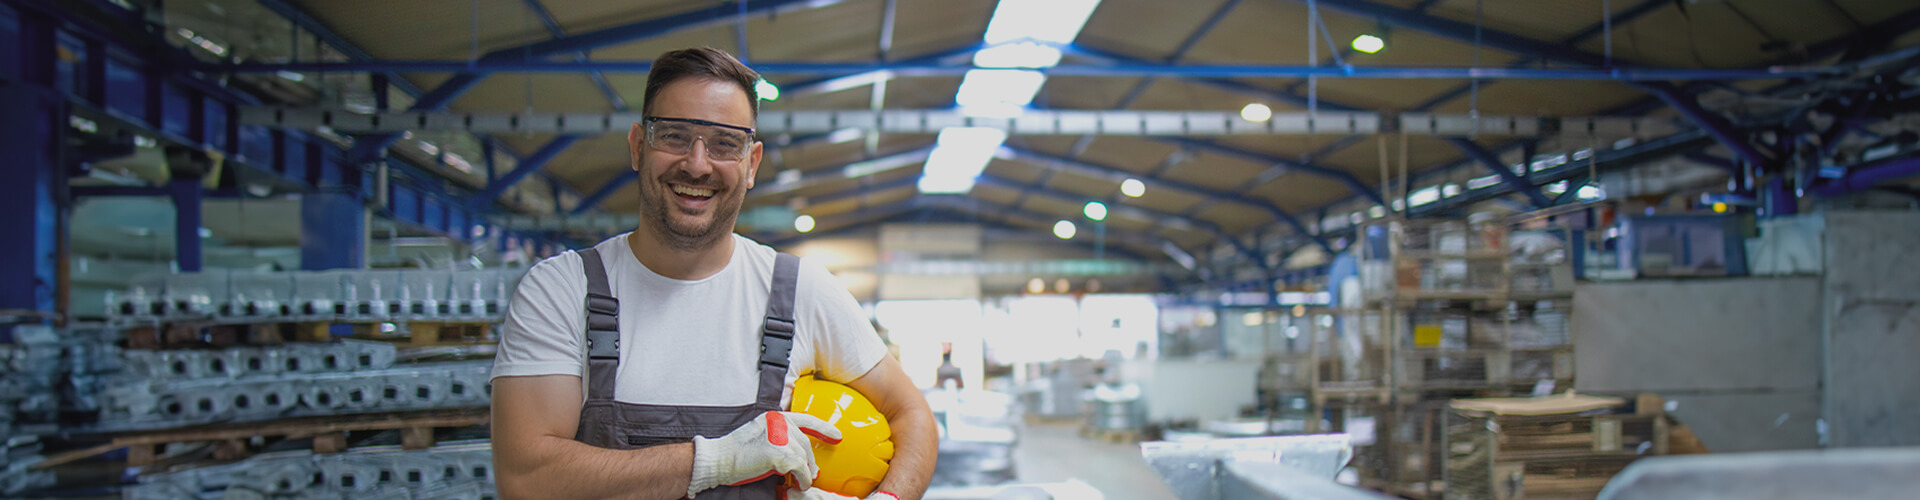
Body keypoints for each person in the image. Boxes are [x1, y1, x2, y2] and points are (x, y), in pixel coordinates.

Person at [489, 47, 936, 500]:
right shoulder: (564, 291)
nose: (697, 164)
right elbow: (527, 478)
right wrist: (714, 462)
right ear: (638, 147)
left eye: (725, 143)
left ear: (751, 164)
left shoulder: (801, 292)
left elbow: (912, 413)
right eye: (675, 136)